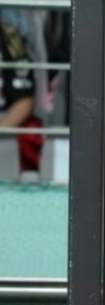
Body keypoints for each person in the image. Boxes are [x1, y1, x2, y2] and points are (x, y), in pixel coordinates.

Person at [0, 17, 42, 183]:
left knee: (32, 129)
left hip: (7, 117)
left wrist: (2, 126)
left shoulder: (10, 39)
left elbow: (25, 101)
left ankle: (28, 188)